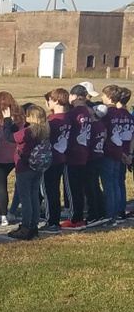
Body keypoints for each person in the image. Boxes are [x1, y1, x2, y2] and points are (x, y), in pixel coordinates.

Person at [5, 104, 50, 240]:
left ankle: (26, 227)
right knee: (34, 196)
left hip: (24, 167)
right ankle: (34, 225)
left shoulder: (29, 131)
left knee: (26, 199)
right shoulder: (45, 130)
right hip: (38, 167)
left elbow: (9, 137)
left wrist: (7, 121)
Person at [61, 85, 94, 229]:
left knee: (72, 188)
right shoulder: (88, 112)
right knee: (79, 187)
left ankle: (75, 217)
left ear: (73, 96)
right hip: (84, 152)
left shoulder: (73, 114)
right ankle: (80, 214)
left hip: (72, 154)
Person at [101, 85, 133, 223]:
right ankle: (120, 210)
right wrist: (129, 154)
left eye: (103, 95)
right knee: (119, 182)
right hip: (124, 152)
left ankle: (111, 213)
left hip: (111, 152)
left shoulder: (108, 114)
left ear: (109, 97)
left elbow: (108, 135)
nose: (101, 98)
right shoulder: (126, 114)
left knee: (110, 183)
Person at [0, 92, 23, 226]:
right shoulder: (20, 118)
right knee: (20, 185)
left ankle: (3, 214)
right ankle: (13, 209)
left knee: (0, 185)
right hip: (16, 155)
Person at [42, 88, 70, 232]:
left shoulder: (52, 120)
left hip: (51, 159)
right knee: (55, 190)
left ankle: (51, 221)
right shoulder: (68, 118)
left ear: (56, 101)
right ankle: (55, 219)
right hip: (62, 157)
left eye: (50, 100)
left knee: (49, 191)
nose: (48, 103)